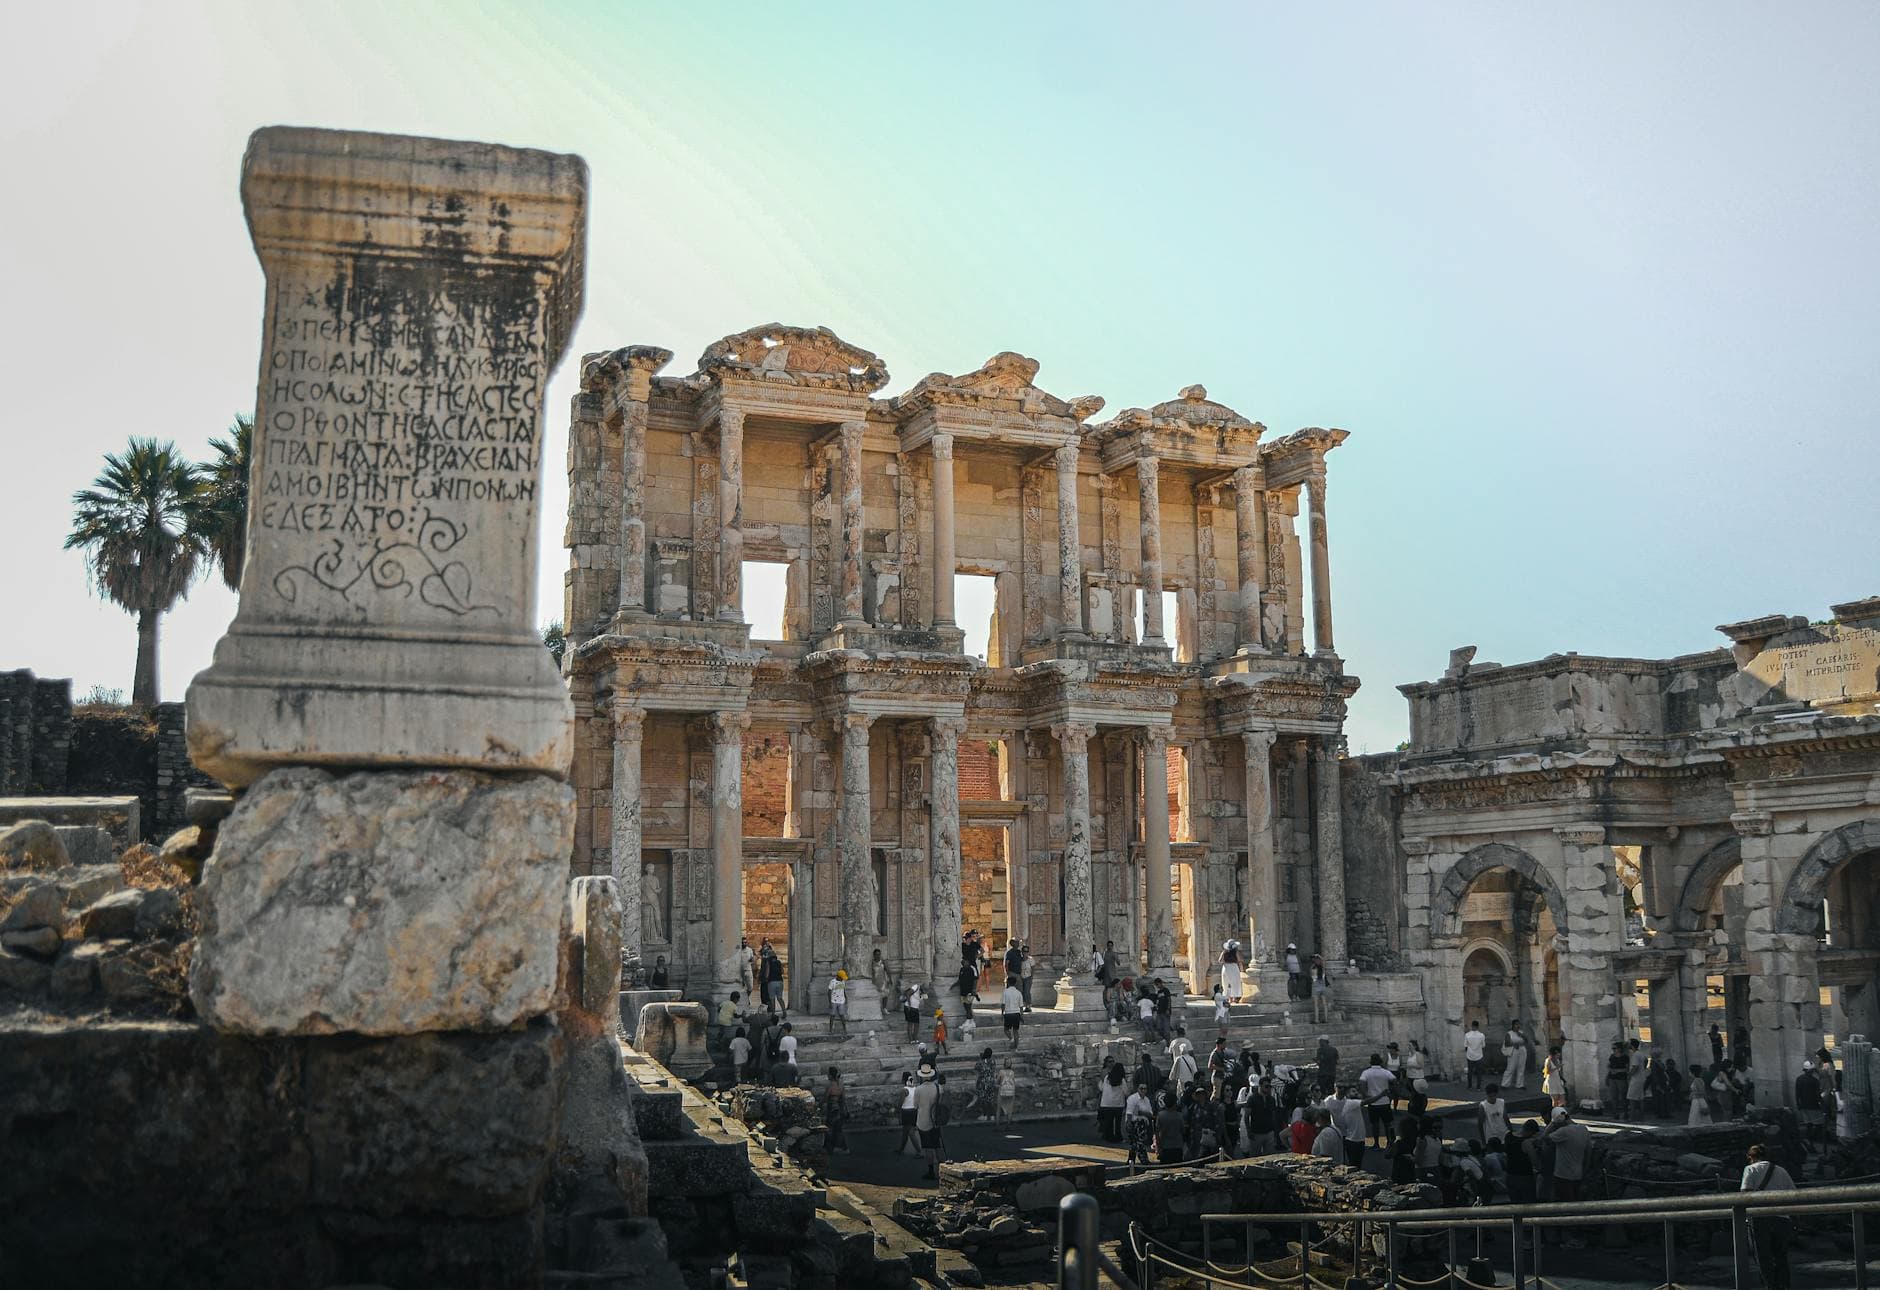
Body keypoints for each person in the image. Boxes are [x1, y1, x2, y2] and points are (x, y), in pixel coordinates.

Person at [1742, 1143, 1795, 1290]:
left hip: (1760, 1218)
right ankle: (1784, 1286)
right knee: (1781, 1256)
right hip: (1782, 1217)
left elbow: (1745, 1194)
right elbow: (1794, 1193)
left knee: (1763, 1257)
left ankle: (1770, 1286)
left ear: (1751, 1157)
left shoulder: (1750, 1169)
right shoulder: (1782, 1171)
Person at [1542, 1107, 1591, 1202]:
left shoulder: (1563, 1132)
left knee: (1565, 1203)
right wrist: (1585, 1170)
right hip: (1578, 1174)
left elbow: (1545, 1138)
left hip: (1562, 1175)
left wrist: (1552, 1124)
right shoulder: (1583, 1129)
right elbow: (1588, 1152)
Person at [1360, 1053, 1396, 1147]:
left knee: (1375, 1124)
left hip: (1373, 1102)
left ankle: (1376, 1143)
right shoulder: (1385, 1072)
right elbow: (1395, 1080)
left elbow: (1362, 1084)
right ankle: (1389, 1142)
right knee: (1387, 1124)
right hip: (1384, 1101)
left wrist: (1366, 1095)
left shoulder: (1366, 1072)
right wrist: (1390, 1092)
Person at [913, 1068, 942, 1180]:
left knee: (928, 1148)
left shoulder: (919, 1089)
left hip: (923, 1120)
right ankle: (941, 1170)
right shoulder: (937, 1087)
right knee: (937, 1146)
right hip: (935, 1121)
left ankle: (931, 1171)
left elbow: (915, 1106)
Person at [1504, 1121, 1538, 1202]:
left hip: (1510, 1175)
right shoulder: (1526, 1142)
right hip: (1524, 1177)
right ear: (1530, 1131)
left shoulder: (1508, 1136)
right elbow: (1535, 1161)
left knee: (1515, 1205)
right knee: (1529, 1206)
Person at [1796, 1060, 1825, 1152]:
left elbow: (1797, 1093)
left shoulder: (1799, 1079)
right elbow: (1818, 1095)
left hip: (1804, 1105)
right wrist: (1823, 1105)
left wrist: (1798, 1104)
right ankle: (1810, 1139)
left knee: (1808, 1124)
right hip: (1814, 1106)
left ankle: (1809, 1141)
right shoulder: (1815, 1081)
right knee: (1819, 1124)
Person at [1125, 1082, 1157, 1165]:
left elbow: (1150, 1113)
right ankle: (1144, 1160)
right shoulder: (1132, 1099)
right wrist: (1129, 1124)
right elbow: (1130, 1112)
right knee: (1138, 1142)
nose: (1143, 1090)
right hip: (1134, 1122)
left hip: (1143, 1123)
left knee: (1136, 1143)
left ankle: (1131, 1160)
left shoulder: (1146, 1100)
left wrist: (1141, 1112)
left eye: (1145, 1088)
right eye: (1141, 1088)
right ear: (1138, 1089)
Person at [1098, 1062, 1129, 1142]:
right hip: (1118, 1105)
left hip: (1106, 1104)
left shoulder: (1107, 1078)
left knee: (1109, 1122)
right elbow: (1126, 1092)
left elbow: (1102, 1089)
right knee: (1118, 1123)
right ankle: (1118, 1137)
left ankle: (1109, 1137)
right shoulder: (1121, 1080)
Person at [1154, 1090, 1187, 1164]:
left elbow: (1157, 1132)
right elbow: (1183, 1130)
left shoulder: (1160, 1115)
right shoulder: (1179, 1115)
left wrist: (1158, 1146)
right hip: (1177, 1145)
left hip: (1165, 1145)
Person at [824, 1067, 850, 1154]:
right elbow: (844, 1099)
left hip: (832, 1109)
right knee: (837, 1128)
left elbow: (825, 1098)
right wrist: (847, 1110)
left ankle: (833, 1147)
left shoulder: (831, 1085)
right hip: (839, 1108)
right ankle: (840, 1147)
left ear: (830, 1075)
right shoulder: (840, 1085)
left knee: (831, 1128)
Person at [1477, 1083, 1510, 1147]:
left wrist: (1510, 1131)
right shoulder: (1483, 1106)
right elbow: (1480, 1124)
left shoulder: (1501, 1102)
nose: (1493, 1098)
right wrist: (1483, 1140)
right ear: (1487, 1095)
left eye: (1494, 1096)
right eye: (1490, 1096)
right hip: (1490, 1136)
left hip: (1503, 1133)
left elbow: (1506, 1118)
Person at [898, 1073, 920, 1155]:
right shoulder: (916, 1088)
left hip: (906, 1112)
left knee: (910, 1133)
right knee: (905, 1132)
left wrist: (897, 1111)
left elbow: (900, 1102)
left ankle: (919, 1151)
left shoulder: (904, 1090)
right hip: (914, 1111)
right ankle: (901, 1149)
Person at [1502, 1020, 1528, 1090]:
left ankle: (1520, 1084)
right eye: (1516, 1024)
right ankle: (1505, 1084)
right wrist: (1513, 1044)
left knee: (1521, 1068)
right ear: (1513, 1025)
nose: (1518, 1026)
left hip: (1522, 1050)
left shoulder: (1521, 1033)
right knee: (1511, 1067)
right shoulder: (1509, 1033)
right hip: (1513, 1051)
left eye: (1519, 1025)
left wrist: (1522, 1035)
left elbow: (1526, 1041)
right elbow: (1506, 1043)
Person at [1625, 1040, 1647, 1120]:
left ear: (1632, 1045)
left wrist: (1629, 1075)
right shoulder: (1641, 1054)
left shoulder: (1635, 1055)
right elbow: (1646, 1061)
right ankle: (1642, 1116)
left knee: (1632, 1098)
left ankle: (1632, 1116)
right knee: (1640, 1098)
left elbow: (1635, 1066)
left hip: (1636, 1079)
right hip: (1642, 1077)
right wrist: (1643, 1069)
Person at [1463, 1020, 1488, 1090]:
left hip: (1470, 1055)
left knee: (1470, 1072)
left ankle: (1470, 1086)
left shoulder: (1467, 1035)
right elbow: (1483, 1046)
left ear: (1472, 1026)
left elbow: (1465, 1045)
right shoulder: (1481, 1035)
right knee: (1479, 1072)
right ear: (1478, 1026)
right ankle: (1478, 1087)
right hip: (1479, 1056)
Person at [1001, 976, 1024, 1049]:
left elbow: (1003, 1004)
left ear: (1008, 983)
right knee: (1015, 1031)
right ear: (1015, 983)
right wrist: (1022, 1016)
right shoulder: (1019, 993)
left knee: (1006, 1029)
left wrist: (1002, 1013)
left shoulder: (1005, 992)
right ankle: (1016, 1047)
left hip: (1008, 1013)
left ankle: (1011, 1039)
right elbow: (1021, 1006)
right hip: (1016, 1013)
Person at [1221, 938, 1244, 1004]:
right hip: (1233, 967)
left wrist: (1226, 961)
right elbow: (1239, 961)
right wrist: (1242, 970)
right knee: (1235, 983)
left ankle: (1229, 999)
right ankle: (1234, 999)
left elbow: (1219, 960)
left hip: (1225, 968)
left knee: (1226, 983)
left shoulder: (1224, 952)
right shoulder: (1236, 952)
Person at [828, 970, 848, 1035]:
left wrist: (846, 997)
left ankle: (845, 1030)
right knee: (832, 1015)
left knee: (842, 1015)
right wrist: (830, 1002)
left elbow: (843, 990)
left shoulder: (843, 981)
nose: (843, 978)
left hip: (841, 1001)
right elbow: (829, 992)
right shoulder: (832, 982)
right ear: (838, 977)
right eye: (842, 977)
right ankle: (831, 1030)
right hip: (834, 1001)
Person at [997, 1059, 1018, 1125]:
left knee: (998, 1109)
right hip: (1011, 1092)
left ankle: (997, 1125)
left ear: (1004, 1064)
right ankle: (1008, 1126)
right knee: (1010, 1109)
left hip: (1002, 1091)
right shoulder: (1012, 1072)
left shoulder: (1001, 1071)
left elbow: (997, 1081)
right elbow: (1013, 1082)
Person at [1019, 941, 1034, 1011]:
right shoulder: (1020, 959)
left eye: (1027, 952)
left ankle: (1028, 1005)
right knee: (1021, 991)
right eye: (1024, 952)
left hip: (1028, 977)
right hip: (1021, 977)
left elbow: (1033, 968)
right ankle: (1023, 1004)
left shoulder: (1030, 959)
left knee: (1027, 991)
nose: (1025, 953)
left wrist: (1031, 978)